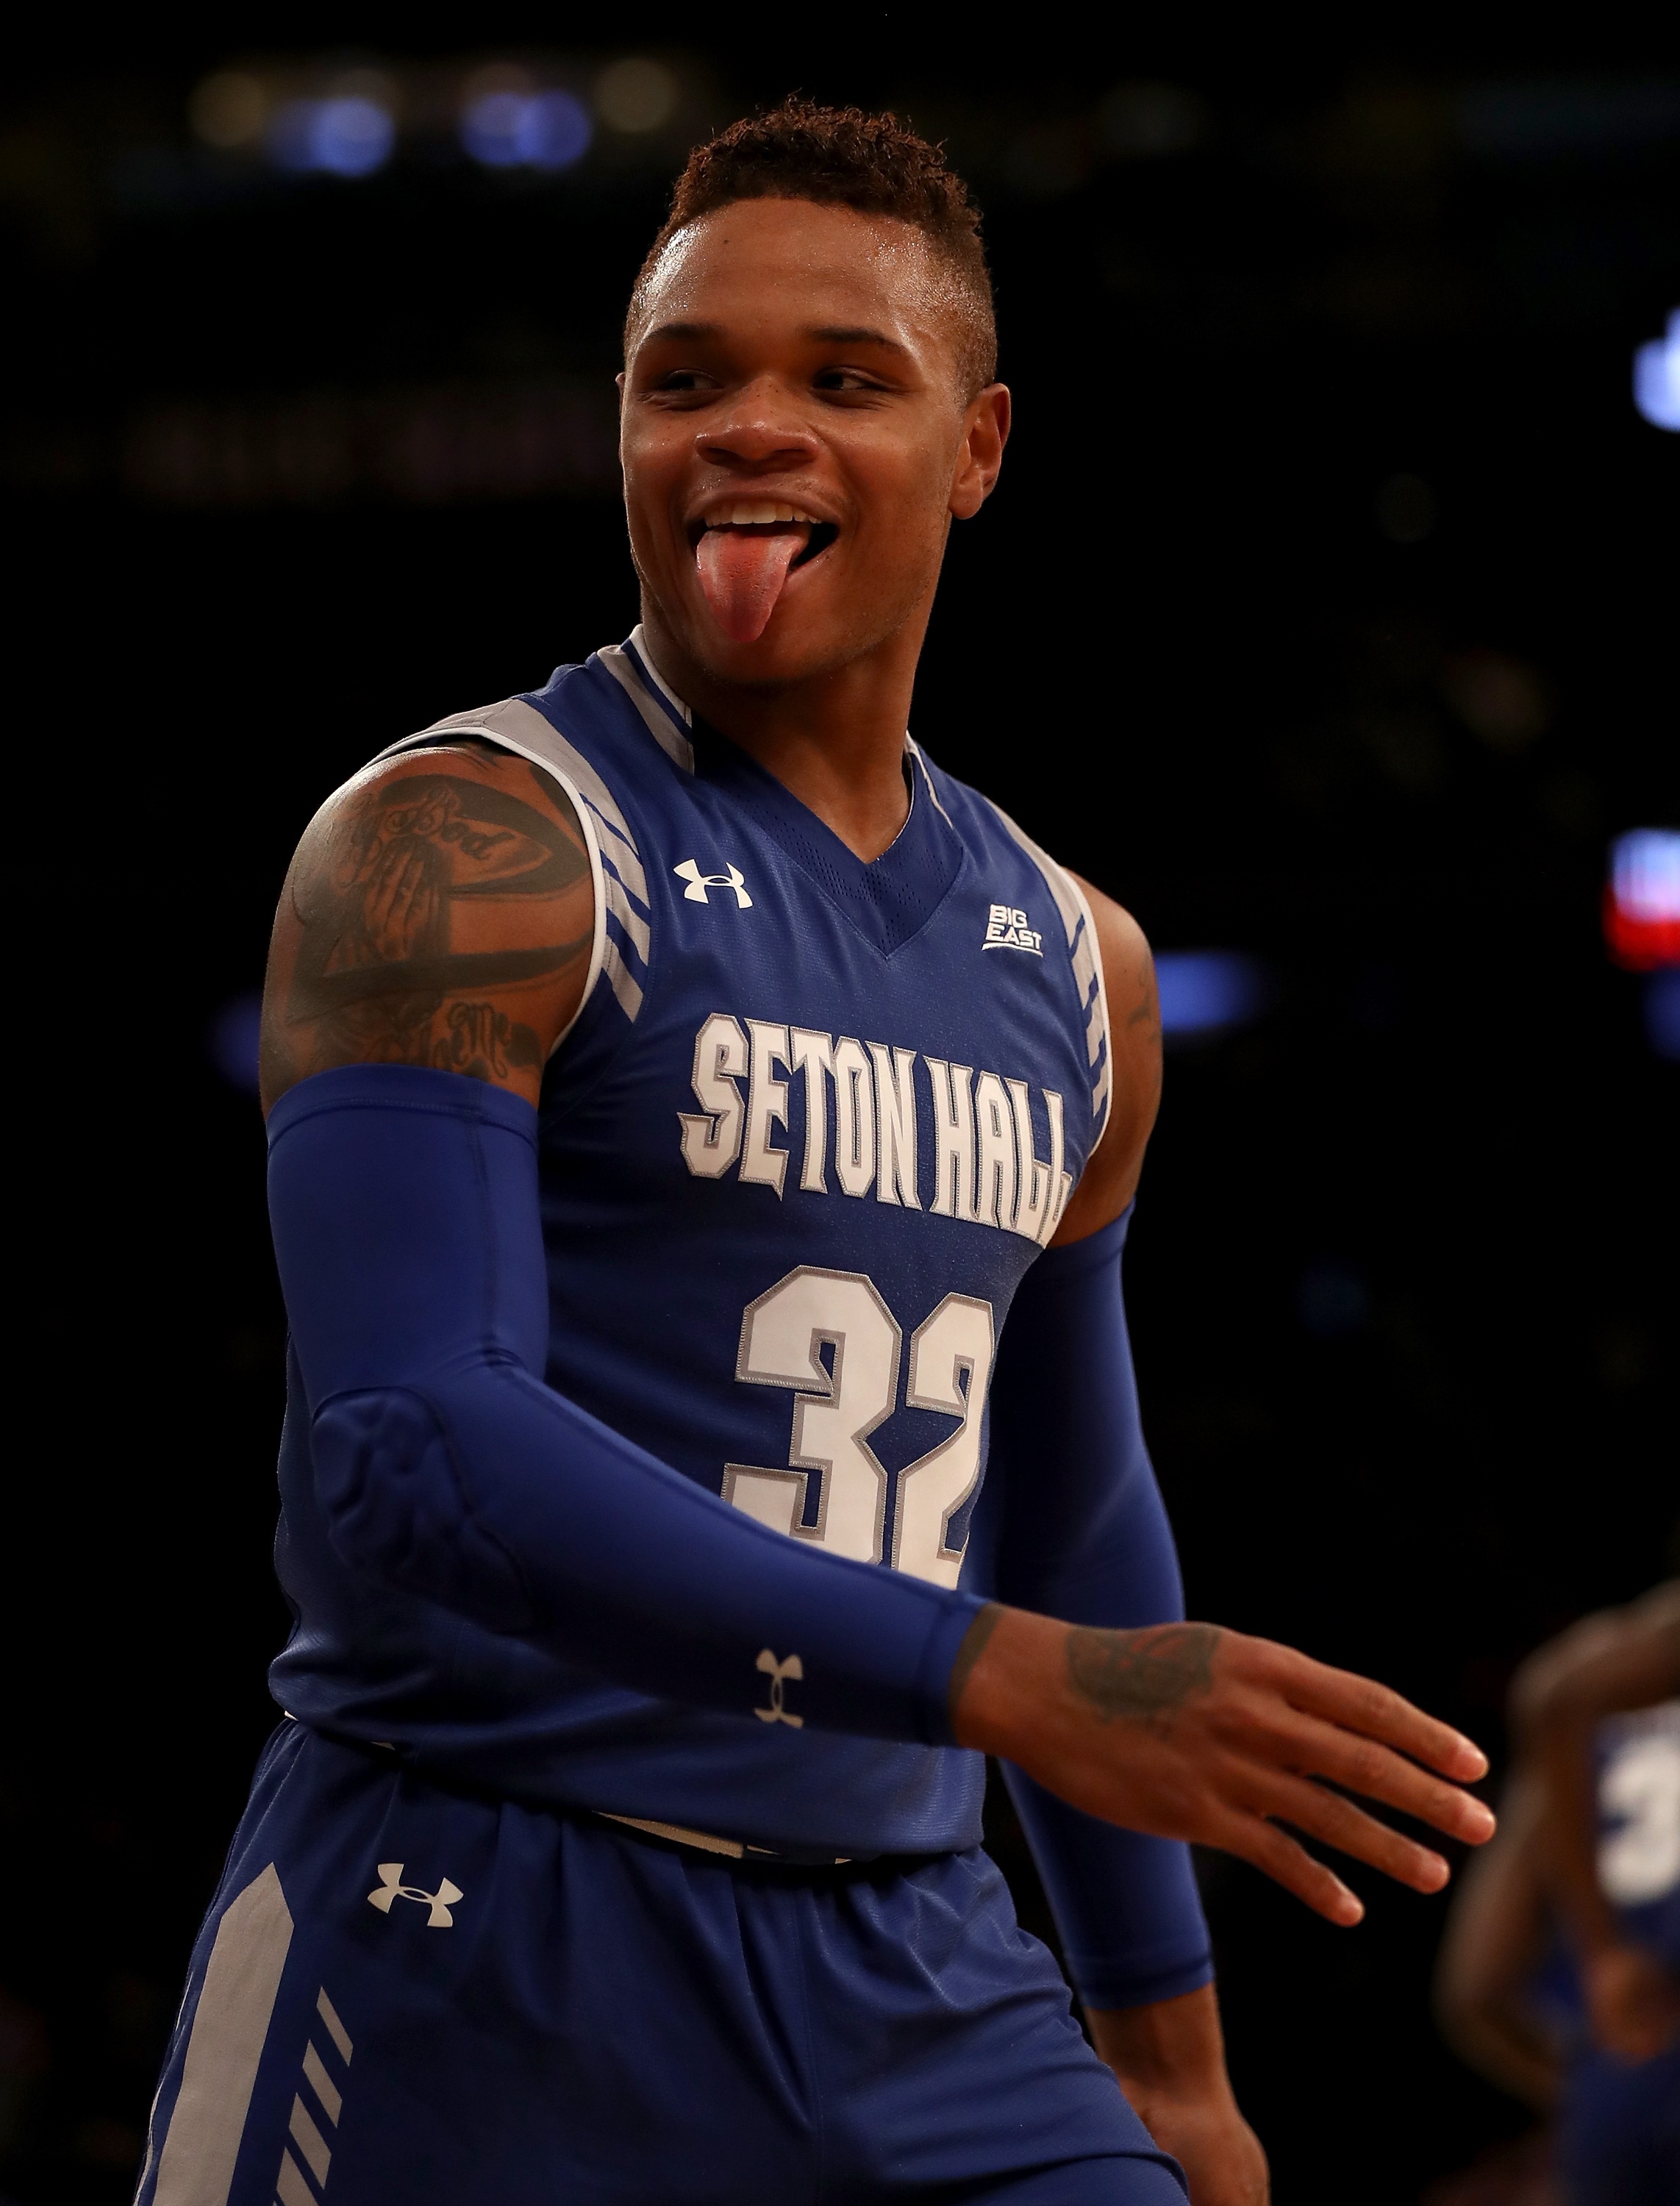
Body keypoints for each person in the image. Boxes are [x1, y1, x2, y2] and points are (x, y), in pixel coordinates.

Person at [138, 104, 1494, 2206]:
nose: (745, 428)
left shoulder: (1073, 961)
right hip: (481, 1918)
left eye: (839, 380)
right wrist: (1000, 1678)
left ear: (975, 449)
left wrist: (1168, 2053)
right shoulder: (464, 847)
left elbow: (1070, 1501)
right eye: (684, 381)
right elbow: (403, 1448)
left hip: (909, 1950)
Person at [1434, 1581, 1679, 2205]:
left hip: (1621, 2102)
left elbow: (1475, 1990)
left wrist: (1600, 2089)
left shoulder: (1580, 1748)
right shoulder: (1582, 1724)